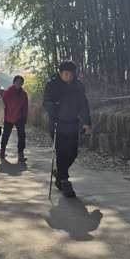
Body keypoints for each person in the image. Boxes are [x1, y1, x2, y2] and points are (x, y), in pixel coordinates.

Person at [43, 60, 91, 198]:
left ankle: (60, 172)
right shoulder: (52, 85)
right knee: (62, 153)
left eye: (71, 74)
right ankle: (65, 182)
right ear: (60, 73)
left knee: (73, 153)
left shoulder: (78, 84)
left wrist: (86, 122)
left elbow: (84, 104)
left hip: (72, 124)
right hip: (57, 125)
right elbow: (45, 102)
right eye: (66, 74)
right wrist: (53, 106)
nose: (69, 77)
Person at [1, 75, 29, 161]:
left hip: (19, 116)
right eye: (17, 81)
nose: (19, 83)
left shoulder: (24, 94)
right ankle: (2, 150)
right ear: (14, 82)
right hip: (8, 116)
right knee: (6, 134)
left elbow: (25, 107)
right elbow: (3, 105)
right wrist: (2, 117)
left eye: (20, 82)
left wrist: (25, 118)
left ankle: (20, 153)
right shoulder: (8, 92)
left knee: (22, 135)